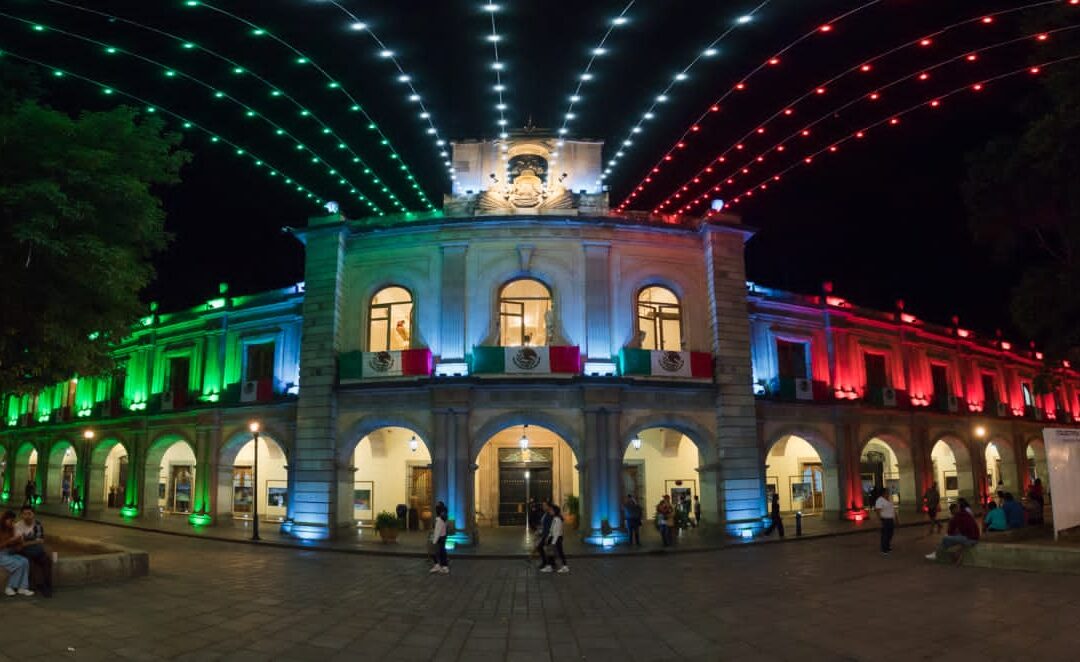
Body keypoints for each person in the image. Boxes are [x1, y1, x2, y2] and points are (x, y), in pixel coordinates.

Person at [14, 507, 52, 597]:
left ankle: (46, 586)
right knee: (29, 561)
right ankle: (35, 585)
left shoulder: (37, 525)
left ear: (33, 514)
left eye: (29, 513)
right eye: (25, 514)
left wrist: (28, 542)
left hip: (36, 551)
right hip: (24, 551)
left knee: (47, 561)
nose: (27, 516)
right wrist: (34, 542)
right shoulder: (18, 526)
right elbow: (21, 544)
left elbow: (41, 541)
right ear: (21, 515)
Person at [0, 510, 34, 597]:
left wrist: (18, 542)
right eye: (10, 520)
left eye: (13, 521)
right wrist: (9, 541)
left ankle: (22, 588)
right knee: (18, 564)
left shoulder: (11, 529)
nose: (12, 523)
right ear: (5, 520)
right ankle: (9, 587)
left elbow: (14, 546)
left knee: (25, 561)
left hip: (8, 552)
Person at [541, 504, 569, 574]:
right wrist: (548, 537)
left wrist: (553, 543)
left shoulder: (557, 519)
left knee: (559, 553)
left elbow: (557, 532)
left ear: (555, 511)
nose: (549, 511)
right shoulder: (554, 518)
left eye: (551, 510)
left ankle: (565, 567)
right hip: (554, 538)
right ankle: (549, 566)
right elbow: (552, 529)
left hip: (557, 538)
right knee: (550, 553)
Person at [874, 487, 897, 555]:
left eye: (888, 491)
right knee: (885, 535)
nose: (888, 492)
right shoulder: (879, 500)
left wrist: (896, 518)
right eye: (887, 491)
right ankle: (884, 549)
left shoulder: (890, 498)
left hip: (891, 519)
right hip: (885, 519)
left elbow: (893, 509)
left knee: (890, 534)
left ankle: (887, 545)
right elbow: (878, 511)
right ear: (883, 492)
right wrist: (880, 521)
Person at [429, 502, 449, 574]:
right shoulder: (443, 517)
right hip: (442, 537)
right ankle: (440, 566)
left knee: (436, 552)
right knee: (441, 552)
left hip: (439, 538)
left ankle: (443, 567)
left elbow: (437, 531)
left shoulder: (440, 519)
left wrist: (434, 541)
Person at [535, 500, 554, 570]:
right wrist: (539, 530)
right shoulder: (546, 513)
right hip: (545, 534)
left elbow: (550, 526)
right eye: (543, 505)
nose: (543, 506)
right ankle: (551, 563)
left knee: (540, 547)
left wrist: (546, 535)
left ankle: (545, 562)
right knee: (550, 549)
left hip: (548, 535)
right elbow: (543, 523)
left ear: (548, 506)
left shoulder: (550, 514)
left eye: (544, 505)